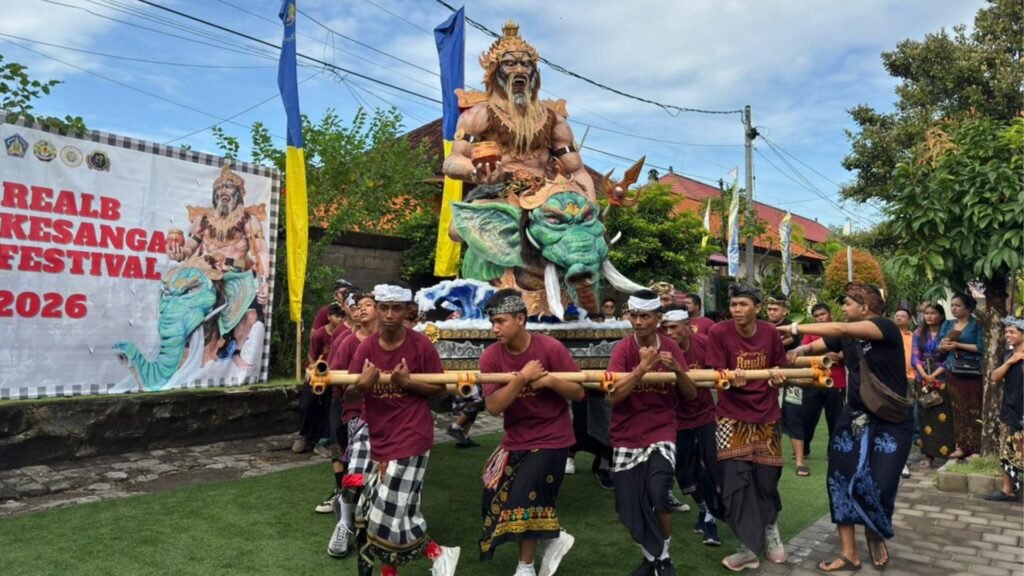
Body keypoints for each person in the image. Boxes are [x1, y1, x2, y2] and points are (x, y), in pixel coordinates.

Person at [785, 283, 913, 572]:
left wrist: (793, 327)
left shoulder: (885, 327)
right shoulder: (845, 337)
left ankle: (874, 532)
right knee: (839, 479)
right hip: (854, 416)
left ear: (865, 307)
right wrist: (799, 349)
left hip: (892, 420)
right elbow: (817, 345)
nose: (842, 308)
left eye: (847, 303)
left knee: (880, 483)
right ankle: (848, 553)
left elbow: (840, 329)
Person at [345, 281, 460, 576]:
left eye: (396, 308)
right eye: (384, 308)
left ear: (408, 310)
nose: (389, 315)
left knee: (388, 512)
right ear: (377, 309)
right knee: (373, 505)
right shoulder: (366, 348)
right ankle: (437, 553)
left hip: (412, 436)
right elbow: (348, 396)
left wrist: (408, 383)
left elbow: (441, 391)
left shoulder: (421, 346)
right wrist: (362, 386)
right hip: (376, 435)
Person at [478, 289, 582, 576]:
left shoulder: (550, 348)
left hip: (552, 438)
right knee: (492, 499)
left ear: (521, 319)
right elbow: (494, 407)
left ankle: (526, 567)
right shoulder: (490, 356)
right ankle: (555, 537)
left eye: (501, 321)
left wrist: (549, 381)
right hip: (514, 440)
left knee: (526, 499)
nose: (495, 329)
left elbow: (578, 392)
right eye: (492, 322)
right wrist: (521, 378)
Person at [442, 21, 596, 203]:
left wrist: (592, 207)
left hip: (545, 197)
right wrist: (476, 172)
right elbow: (453, 161)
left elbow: (577, 171)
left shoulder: (554, 120)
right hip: (497, 195)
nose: (520, 70)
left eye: (526, 64)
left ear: (534, 73)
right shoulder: (478, 115)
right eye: (510, 64)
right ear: (494, 70)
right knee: (475, 218)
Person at [608, 289, 696, 576]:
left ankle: (663, 558)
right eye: (634, 315)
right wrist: (642, 368)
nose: (638, 322)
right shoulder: (623, 349)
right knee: (628, 506)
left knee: (659, 492)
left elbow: (691, 393)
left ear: (658, 318)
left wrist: (678, 371)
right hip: (626, 434)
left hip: (661, 431)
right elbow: (613, 397)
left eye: (644, 316)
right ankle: (652, 558)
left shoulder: (670, 347)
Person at [706, 284, 788, 572]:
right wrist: (728, 377)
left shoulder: (770, 333)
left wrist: (778, 377)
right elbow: (716, 374)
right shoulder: (718, 332)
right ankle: (747, 547)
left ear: (757, 307)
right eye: (733, 304)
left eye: (743, 304)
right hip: (731, 417)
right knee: (736, 482)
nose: (737, 310)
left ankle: (770, 529)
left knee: (767, 479)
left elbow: (780, 367)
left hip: (767, 415)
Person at [167, 164, 270, 368]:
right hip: (206, 275)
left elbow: (262, 251)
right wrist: (181, 253)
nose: (224, 191)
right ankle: (187, 352)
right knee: (188, 308)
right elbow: (191, 246)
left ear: (238, 193)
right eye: (220, 188)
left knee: (251, 314)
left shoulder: (248, 221)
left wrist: (264, 282)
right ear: (214, 195)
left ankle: (236, 351)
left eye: (229, 187)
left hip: (237, 276)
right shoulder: (203, 220)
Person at [660, 305, 721, 547]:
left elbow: (719, 374)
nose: (669, 332)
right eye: (665, 328)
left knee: (711, 467)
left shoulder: (704, 343)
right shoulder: (660, 350)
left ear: (688, 326)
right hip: (675, 419)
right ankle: (704, 509)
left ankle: (711, 518)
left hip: (705, 415)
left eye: (674, 327)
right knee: (685, 474)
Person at [326, 292, 377, 557]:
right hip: (355, 411)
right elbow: (337, 381)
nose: (361, 310)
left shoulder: (397, 340)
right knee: (353, 465)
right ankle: (345, 519)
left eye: (369, 305)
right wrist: (359, 387)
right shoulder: (348, 341)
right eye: (358, 306)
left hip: (391, 414)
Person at [938, 292, 985, 459]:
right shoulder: (948, 324)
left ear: (968, 308)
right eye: (952, 305)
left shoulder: (977, 324)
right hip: (952, 370)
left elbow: (981, 347)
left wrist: (958, 345)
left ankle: (976, 447)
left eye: (958, 306)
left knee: (973, 407)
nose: (954, 308)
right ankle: (960, 445)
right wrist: (943, 345)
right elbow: (939, 346)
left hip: (971, 371)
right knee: (956, 408)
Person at [766, 295, 807, 477]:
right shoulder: (763, 327)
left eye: (775, 309)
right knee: (768, 418)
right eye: (769, 309)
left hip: (791, 379)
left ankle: (800, 461)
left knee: (794, 416)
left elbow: (789, 343)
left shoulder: (792, 327)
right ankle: (768, 457)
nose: (771, 312)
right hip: (768, 378)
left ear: (785, 311)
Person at [984, 317, 1024, 502]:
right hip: (1010, 408)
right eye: (1006, 332)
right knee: (1007, 451)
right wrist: (1011, 361)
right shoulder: (1007, 355)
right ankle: (1008, 490)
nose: (1008, 335)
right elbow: (994, 377)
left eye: (1012, 332)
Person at [297, 303, 345, 456]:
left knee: (330, 408)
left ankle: (324, 442)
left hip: (333, 376)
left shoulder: (344, 334)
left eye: (342, 316)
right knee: (307, 404)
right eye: (337, 316)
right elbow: (311, 355)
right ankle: (304, 436)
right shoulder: (319, 334)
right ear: (329, 317)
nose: (340, 319)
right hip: (316, 374)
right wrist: (317, 368)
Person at [799, 304, 846, 453]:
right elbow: (804, 352)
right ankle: (803, 448)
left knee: (835, 419)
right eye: (817, 316)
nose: (820, 318)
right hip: (814, 381)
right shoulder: (811, 332)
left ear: (830, 314)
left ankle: (833, 450)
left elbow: (851, 350)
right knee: (807, 417)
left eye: (823, 314)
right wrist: (823, 357)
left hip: (836, 381)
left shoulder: (840, 330)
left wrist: (840, 356)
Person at [911, 303, 951, 468]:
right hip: (923, 378)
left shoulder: (947, 332)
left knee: (944, 416)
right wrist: (925, 375)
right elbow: (915, 357)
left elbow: (950, 358)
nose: (928, 316)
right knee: (925, 416)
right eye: (926, 313)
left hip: (942, 377)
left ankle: (947, 453)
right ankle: (928, 455)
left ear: (941, 316)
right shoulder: (918, 332)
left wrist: (933, 376)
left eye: (933, 313)